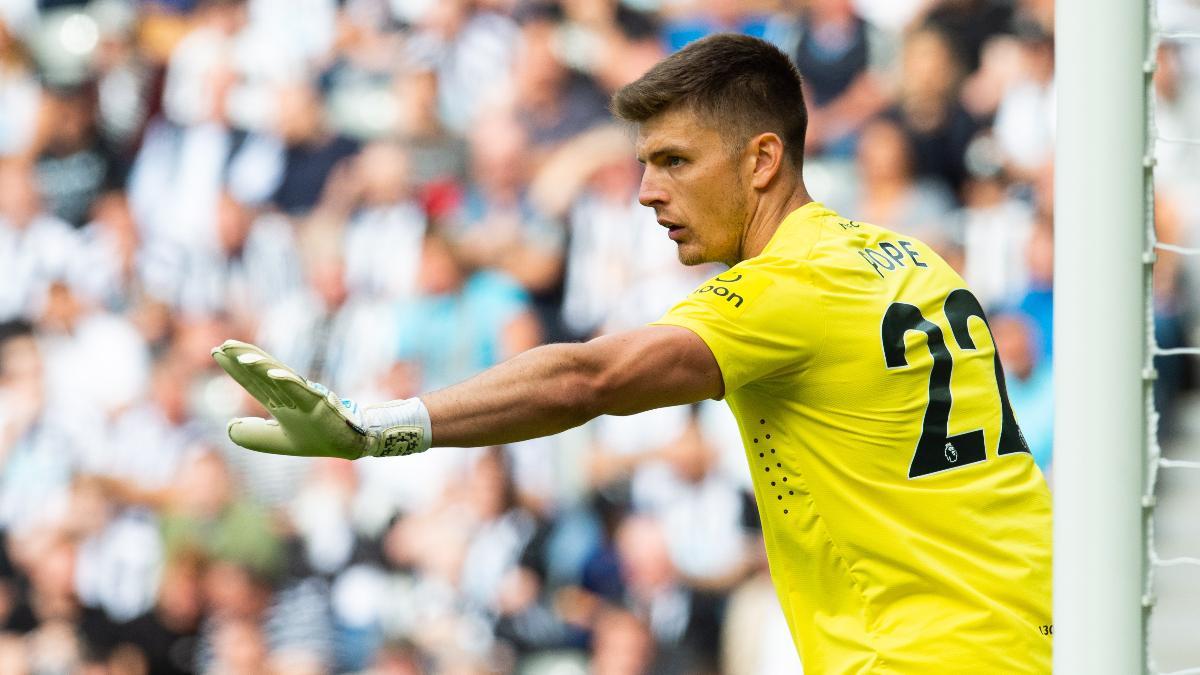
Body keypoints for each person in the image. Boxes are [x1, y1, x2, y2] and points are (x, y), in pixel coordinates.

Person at [213, 34, 1052, 673]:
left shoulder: (788, 288)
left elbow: (591, 376)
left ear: (763, 159)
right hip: (1037, 631)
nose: (647, 191)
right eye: (644, 164)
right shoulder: (913, 259)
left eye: (674, 161)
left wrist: (379, 427)